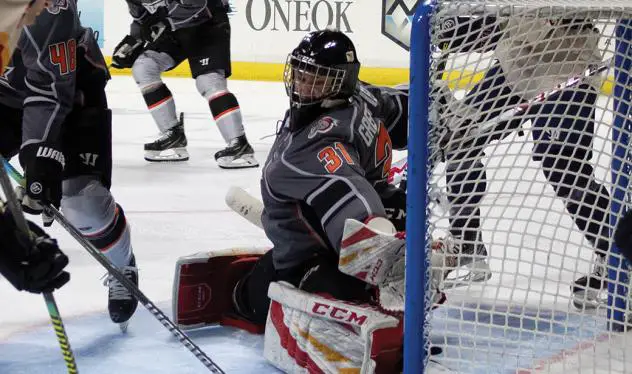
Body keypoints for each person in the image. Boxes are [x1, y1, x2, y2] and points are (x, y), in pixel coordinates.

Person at [173, 30, 447, 372]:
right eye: (301, 74)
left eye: (317, 79)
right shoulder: (361, 96)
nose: (303, 85)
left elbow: (360, 220)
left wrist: (387, 257)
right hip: (376, 213)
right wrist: (441, 111)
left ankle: (380, 296)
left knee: (287, 288)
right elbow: (401, 107)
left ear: (340, 83)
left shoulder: (308, 153)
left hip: (320, 257)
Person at [437, 15, 610, 308]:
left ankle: (618, 257)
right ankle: (467, 242)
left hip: (570, 60)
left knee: (562, 162)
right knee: (460, 139)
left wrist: (482, 29)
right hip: (516, 62)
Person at [0, 0, 139, 326]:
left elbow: (49, 85)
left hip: (69, 87)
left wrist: (41, 157)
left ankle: (121, 263)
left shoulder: (48, 8)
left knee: (82, 203)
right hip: (6, 95)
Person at [111, 0, 259, 168]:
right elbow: (142, 19)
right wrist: (132, 42)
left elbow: (199, 4)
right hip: (173, 28)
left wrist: (166, 22)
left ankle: (239, 144)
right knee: (144, 67)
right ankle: (173, 136)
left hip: (207, 23)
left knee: (208, 81)